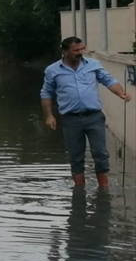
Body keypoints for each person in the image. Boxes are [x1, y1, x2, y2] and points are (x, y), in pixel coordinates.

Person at [40, 36, 130, 188]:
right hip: (70, 119)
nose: (80, 52)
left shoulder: (93, 65)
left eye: (82, 49)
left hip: (94, 117)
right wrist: (49, 116)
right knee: (76, 156)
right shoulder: (52, 70)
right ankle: (79, 190)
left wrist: (121, 93)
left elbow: (109, 80)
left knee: (100, 153)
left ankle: (103, 188)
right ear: (65, 51)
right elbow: (46, 93)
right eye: (76, 50)